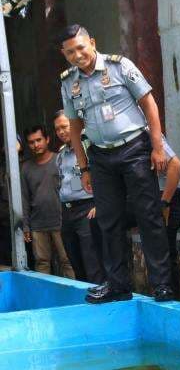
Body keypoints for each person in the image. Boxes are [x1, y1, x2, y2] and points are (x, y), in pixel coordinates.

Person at [58, 24, 173, 303]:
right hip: (100, 156)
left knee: (149, 217)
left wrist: (157, 147)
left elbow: (149, 104)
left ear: (93, 43)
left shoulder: (120, 66)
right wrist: (84, 167)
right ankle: (118, 285)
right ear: (65, 54)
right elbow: (75, 127)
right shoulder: (68, 82)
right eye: (70, 52)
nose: (77, 55)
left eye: (81, 47)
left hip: (134, 148)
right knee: (108, 222)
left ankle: (162, 285)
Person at [54, 110, 105, 284]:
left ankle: (98, 297)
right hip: (68, 212)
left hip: (87, 209)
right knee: (74, 259)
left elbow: (103, 176)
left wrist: (100, 204)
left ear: (75, 125)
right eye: (57, 129)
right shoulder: (60, 155)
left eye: (64, 127)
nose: (61, 132)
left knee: (92, 261)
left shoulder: (88, 147)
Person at [21, 125, 75, 278]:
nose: (36, 145)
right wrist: (26, 226)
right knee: (42, 263)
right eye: (31, 142)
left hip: (61, 221)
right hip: (37, 224)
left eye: (39, 140)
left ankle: (74, 297)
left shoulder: (60, 159)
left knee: (67, 261)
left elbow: (73, 187)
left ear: (47, 139)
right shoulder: (26, 168)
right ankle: (44, 301)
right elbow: (24, 198)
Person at [157, 134, 180, 298]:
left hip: (167, 198)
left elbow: (176, 164)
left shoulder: (148, 134)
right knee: (158, 254)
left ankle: (172, 298)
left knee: (166, 254)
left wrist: (164, 202)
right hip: (157, 198)